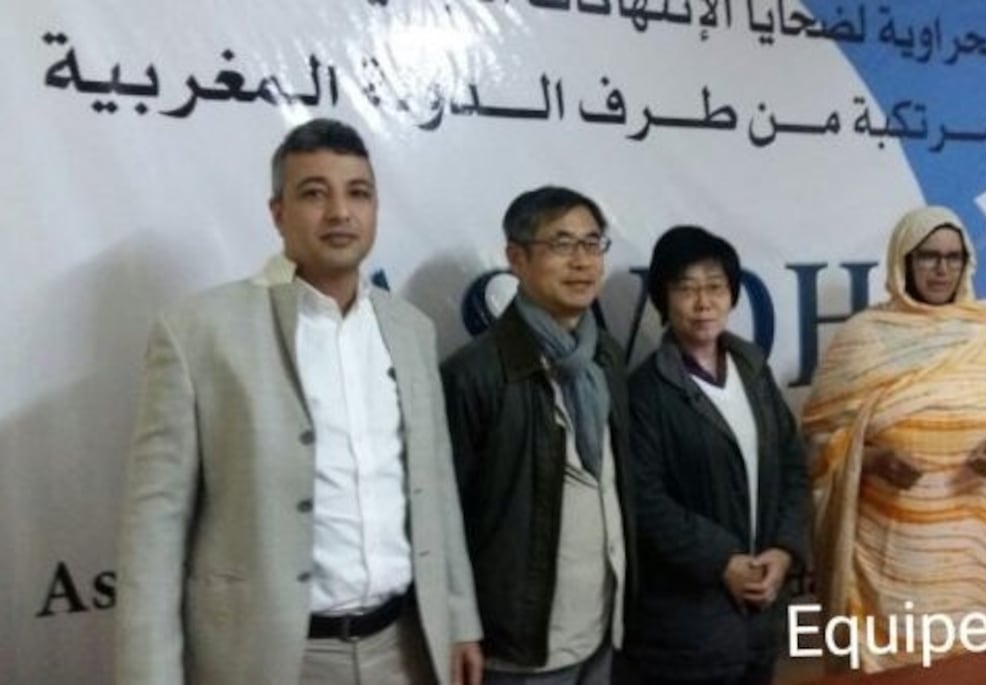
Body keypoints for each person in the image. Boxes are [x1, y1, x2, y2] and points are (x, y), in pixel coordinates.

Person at [115, 118, 483, 685]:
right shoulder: (198, 332)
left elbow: (435, 490)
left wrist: (460, 620)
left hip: (405, 649)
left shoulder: (410, 329)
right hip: (273, 660)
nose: (340, 212)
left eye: (357, 193)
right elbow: (154, 531)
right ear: (278, 212)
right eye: (315, 193)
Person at [801, 205, 986, 672]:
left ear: (966, 264)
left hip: (981, 554)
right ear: (903, 261)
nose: (942, 269)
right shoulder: (863, 338)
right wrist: (873, 460)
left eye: (953, 257)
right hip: (892, 563)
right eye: (928, 257)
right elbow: (815, 445)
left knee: (979, 669)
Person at [440, 186, 634, 685]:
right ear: (516, 258)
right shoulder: (475, 373)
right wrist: (460, 626)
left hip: (603, 628)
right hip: (521, 647)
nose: (582, 262)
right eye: (561, 244)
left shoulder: (605, 358)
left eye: (592, 244)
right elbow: (445, 516)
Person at [624, 226, 808, 684]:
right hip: (687, 627)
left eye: (715, 286)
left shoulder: (752, 369)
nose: (703, 303)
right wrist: (722, 561)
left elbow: (792, 463)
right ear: (663, 300)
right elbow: (644, 500)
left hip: (761, 613)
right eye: (686, 289)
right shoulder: (645, 392)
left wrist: (784, 551)